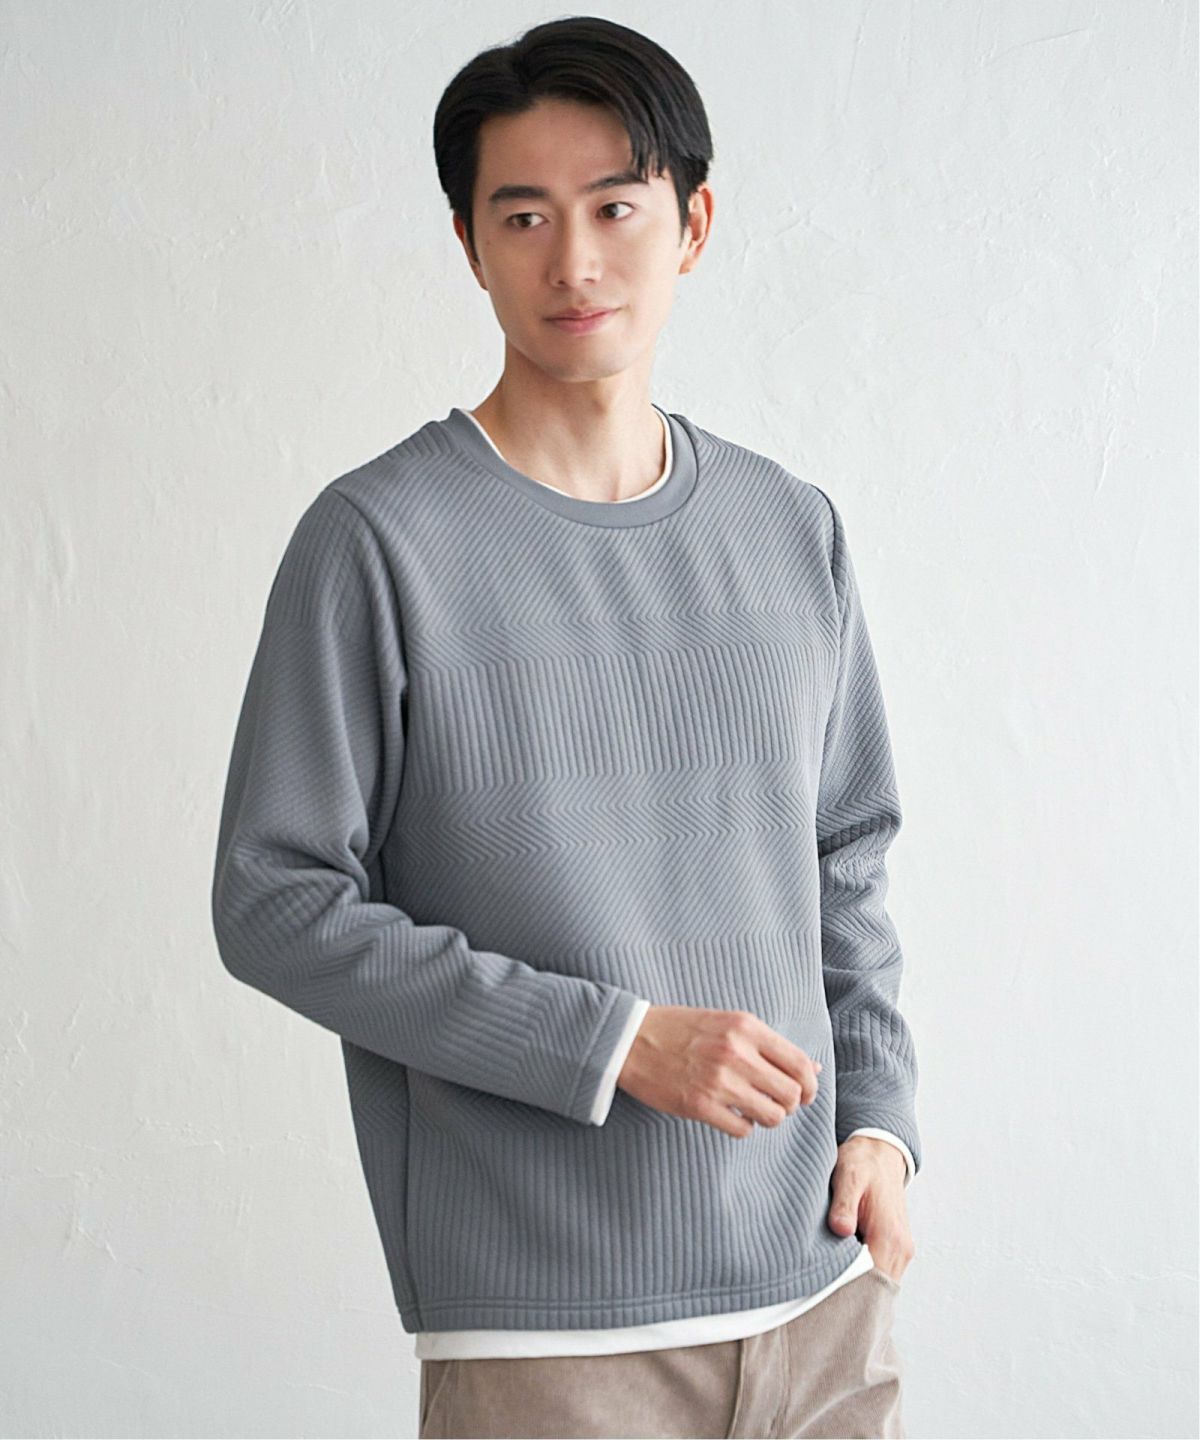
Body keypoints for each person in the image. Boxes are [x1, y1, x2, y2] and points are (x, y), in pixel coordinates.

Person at [211, 15, 922, 1438]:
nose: (574, 263)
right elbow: (274, 902)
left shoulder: (791, 527)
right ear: (470, 245)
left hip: (823, 1299)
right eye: (524, 216)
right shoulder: (379, 542)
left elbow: (846, 856)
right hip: (548, 1331)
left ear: (693, 223)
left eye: (615, 208)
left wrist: (880, 1123)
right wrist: (615, 1043)